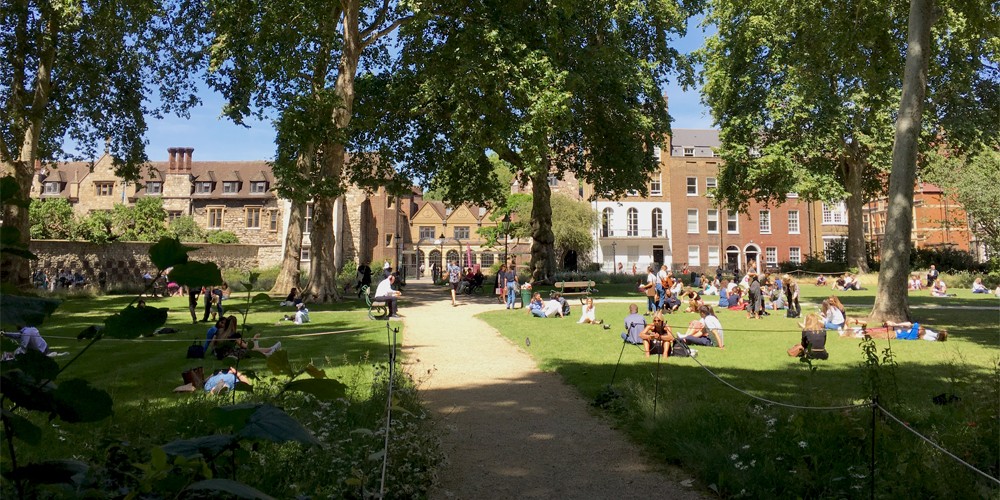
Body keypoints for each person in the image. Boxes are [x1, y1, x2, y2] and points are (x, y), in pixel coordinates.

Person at [207, 315, 281, 359]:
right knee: (249, 351)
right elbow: (245, 346)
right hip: (228, 355)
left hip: (219, 354)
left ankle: (268, 351)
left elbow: (212, 344)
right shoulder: (233, 335)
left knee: (250, 349)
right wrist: (253, 340)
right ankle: (269, 350)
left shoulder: (219, 331)